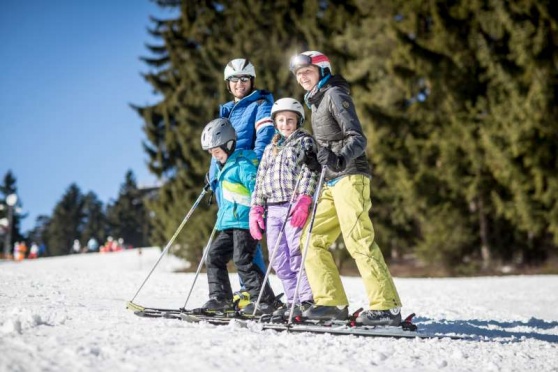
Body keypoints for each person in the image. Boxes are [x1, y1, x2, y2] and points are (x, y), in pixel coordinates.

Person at [289, 51, 403, 325]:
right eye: (298, 74)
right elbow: (330, 147)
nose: (302, 77)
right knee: (311, 239)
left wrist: (338, 157)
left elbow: (357, 139)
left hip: (351, 175)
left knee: (358, 239)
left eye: (307, 71)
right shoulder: (316, 103)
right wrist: (318, 161)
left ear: (322, 70)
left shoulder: (335, 94)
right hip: (331, 180)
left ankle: (387, 307)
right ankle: (332, 303)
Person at [207, 58, 276, 308]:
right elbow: (217, 145)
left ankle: (256, 294)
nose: (239, 84)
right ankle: (233, 294)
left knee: (247, 238)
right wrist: (212, 176)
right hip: (224, 181)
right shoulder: (226, 110)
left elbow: (265, 136)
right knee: (234, 239)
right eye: (234, 79)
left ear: (251, 81)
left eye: (244, 78)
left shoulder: (259, 104)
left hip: (245, 175)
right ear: (228, 84)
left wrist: (255, 164)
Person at [200, 117, 277, 315]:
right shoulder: (222, 167)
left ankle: (264, 301)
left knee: (243, 260)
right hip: (229, 224)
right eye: (211, 153)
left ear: (229, 144)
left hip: (246, 222)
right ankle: (221, 298)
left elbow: (257, 189)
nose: (214, 157)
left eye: (216, 152)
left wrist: (259, 211)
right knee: (214, 256)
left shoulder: (243, 164)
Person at [249, 98, 318, 318]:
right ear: (275, 122)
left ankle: (306, 300)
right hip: (273, 209)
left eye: (290, 120)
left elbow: (310, 171)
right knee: (278, 259)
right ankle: (292, 301)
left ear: (298, 121)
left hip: (293, 205)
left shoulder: (304, 142)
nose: (285, 124)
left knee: (296, 255)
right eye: (281, 120)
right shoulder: (271, 148)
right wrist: (256, 207)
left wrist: (305, 199)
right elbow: (260, 179)